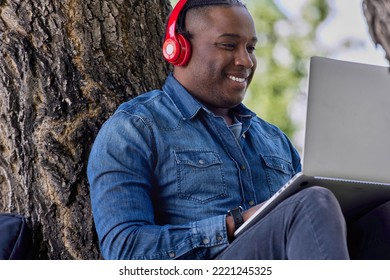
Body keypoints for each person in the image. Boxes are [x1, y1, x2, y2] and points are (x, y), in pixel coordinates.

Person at [87, 0, 390, 260]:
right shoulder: (135, 128)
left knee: (382, 213)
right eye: (228, 45)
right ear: (178, 48)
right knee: (312, 202)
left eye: (250, 48)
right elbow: (123, 250)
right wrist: (234, 223)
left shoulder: (274, 141)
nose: (245, 60)